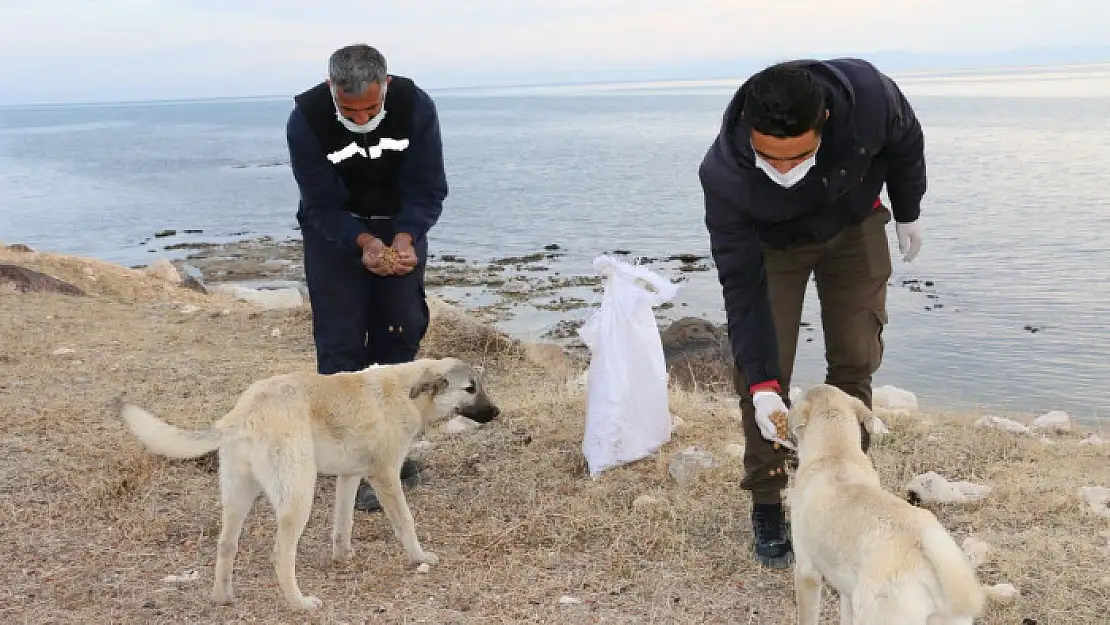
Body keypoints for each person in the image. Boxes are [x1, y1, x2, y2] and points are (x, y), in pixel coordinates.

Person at [698, 58, 926, 568]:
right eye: (769, 158)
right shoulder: (726, 176)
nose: (782, 170)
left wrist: (907, 208)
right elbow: (741, 286)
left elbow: (906, 140)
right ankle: (768, 501)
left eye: (796, 156)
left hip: (854, 224)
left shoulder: (870, 98)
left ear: (824, 122)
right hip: (773, 247)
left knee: (855, 355)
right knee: (764, 373)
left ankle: (852, 488)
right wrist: (760, 384)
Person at [285, 44, 449, 512]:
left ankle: (388, 448)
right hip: (335, 234)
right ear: (333, 91)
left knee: (401, 328)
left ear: (387, 87)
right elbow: (320, 203)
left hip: (399, 226)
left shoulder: (416, 108)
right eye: (349, 110)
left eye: (371, 108)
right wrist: (364, 243)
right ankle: (348, 465)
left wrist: (404, 238)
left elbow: (428, 187)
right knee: (340, 341)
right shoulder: (307, 119)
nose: (360, 119)